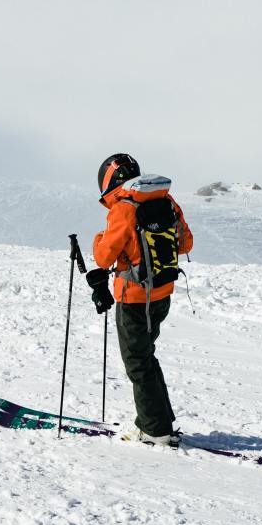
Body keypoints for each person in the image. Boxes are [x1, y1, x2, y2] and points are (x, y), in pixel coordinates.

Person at [92, 153, 193, 446]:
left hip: (133, 296)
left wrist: (99, 237)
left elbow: (103, 256)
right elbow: (186, 243)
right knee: (146, 357)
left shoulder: (124, 209)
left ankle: (155, 430)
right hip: (161, 292)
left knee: (137, 363)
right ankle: (158, 421)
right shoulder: (168, 202)